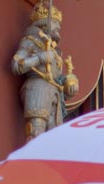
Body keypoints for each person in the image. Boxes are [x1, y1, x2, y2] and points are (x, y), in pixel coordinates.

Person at [11, 1, 78, 141]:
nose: (59, 27)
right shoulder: (30, 42)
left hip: (54, 94)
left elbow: (56, 80)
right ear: (43, 24)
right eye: (55, 23)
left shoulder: (54, 51)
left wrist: (68, 85)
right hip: (37, 89)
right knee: (36, 134)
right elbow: (16, 64)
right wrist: (40, 57)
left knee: (53, 141)